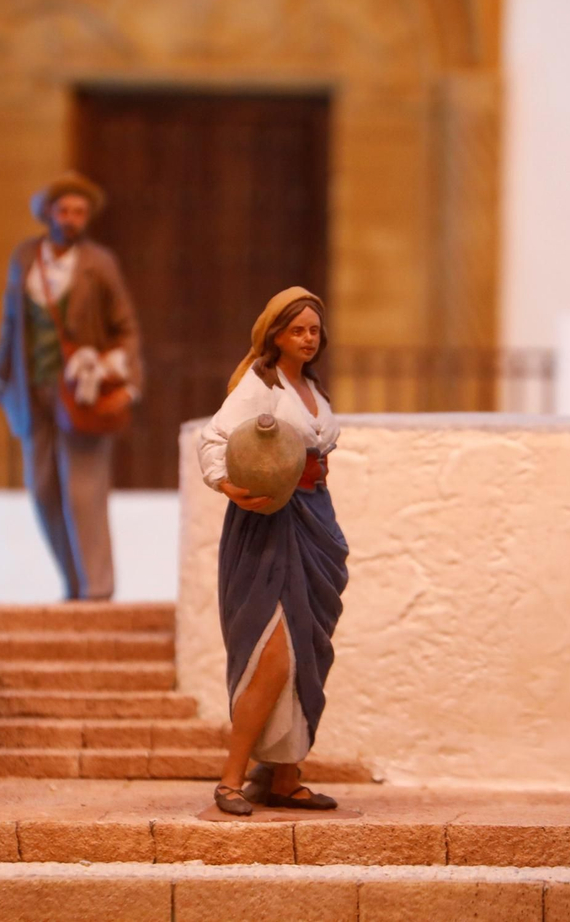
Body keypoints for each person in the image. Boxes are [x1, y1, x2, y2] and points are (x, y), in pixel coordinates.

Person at [197, 287, 349, 815]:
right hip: (268, 525)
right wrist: (226, 484)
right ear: (275, 334)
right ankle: (231, 778)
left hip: (315, 521)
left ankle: (284, 776)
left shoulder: (312, 387)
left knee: (308, 645)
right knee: (272, 653)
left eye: (313, 330)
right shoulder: (259, 386)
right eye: (297, 330)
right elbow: (214, 440)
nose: (307, 339)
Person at [0, 171, 142, 601]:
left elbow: (125, 329)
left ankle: (98, 589)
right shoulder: (24, 259)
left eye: (79, 212)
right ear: (49, 212)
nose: (71, 218)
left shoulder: (98, 264)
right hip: (32, 392)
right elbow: (11, 325)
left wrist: (125, 377)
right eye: (65, 210)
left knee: (83, 492)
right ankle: (74, 583)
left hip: (82, 393)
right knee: (44, 490)